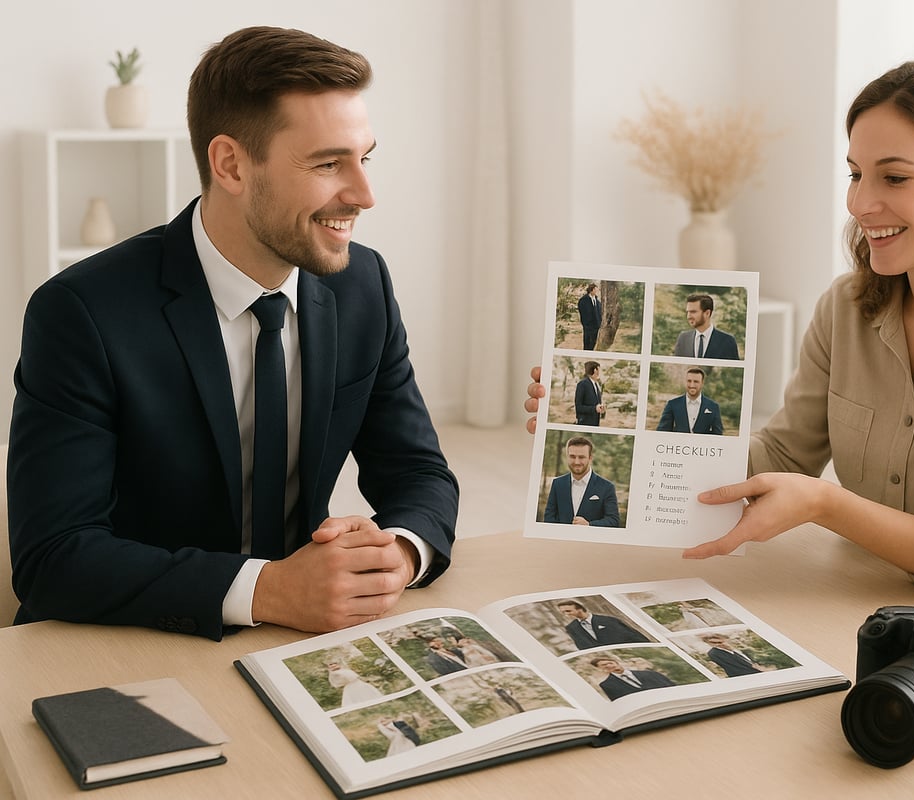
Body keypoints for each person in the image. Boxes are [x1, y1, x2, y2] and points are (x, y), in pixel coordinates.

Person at [527, 55, 914, 619]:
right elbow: (782, 456)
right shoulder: (847, 308)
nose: (859, 203)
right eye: (855, 174)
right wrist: (610, 432)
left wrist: (827, 505)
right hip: (871, 602)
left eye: (894, 177)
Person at [6, 26, 459, 640]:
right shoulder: (81, 313)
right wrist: (269, 590)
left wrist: (397, 555)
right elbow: (54, 559)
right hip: (132, 640)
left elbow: (419, 474)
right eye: (328, 163)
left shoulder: (362, 286)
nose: (365, 194)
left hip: (295, 643)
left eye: (364, 157)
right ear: (230, 165)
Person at [542, 437, 621, 526]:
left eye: (581, 457)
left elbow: (613, 521)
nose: (577, 462)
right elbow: (549, 519)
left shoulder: (607, 487)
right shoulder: (557, 484)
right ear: (567, 457)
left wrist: (589, 525)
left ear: (590, 458)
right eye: (572, 456)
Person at [557, 600, 649, 650]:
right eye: (563, 612)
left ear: (580, 609)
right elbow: (582, 646)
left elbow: (631, 635)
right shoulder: (571, 628)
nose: (566, 614)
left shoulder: (608, 620)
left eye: (568, 611)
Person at [656, 367, 724, 434]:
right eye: (689, 381)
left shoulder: (713, 406)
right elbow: (662, 432)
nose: (692, 385)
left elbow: (718, 435)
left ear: (702, 383)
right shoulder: (672, 404)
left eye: (696, 382)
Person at [672, 294, 740, 360]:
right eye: (688, 312)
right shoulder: (683, 338)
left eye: (693, 312)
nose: (688, 316)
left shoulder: (727, 341)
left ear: (707, 313)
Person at [590, 656, 676, 700]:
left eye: (610, 662)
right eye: (604, 665)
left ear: (616, 662)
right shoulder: (607, 685)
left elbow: (672, 687)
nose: (608, 665)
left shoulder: (650, 674)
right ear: (600, 669)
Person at [574, 361, 606, 426]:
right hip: (585, 423)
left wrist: (602, 410)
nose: (600, 372)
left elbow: (596, 404)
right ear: (595, 370)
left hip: (595, 422)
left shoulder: (596, 384)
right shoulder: (582, 384)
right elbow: (578, 407)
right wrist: (594, 409)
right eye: (599, 370)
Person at [577, 283, 602, 350]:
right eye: (595, 290)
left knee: (593, 342)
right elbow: (582, 311)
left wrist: (599, 322)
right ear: (591, 290)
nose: (596, 292)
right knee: (587, 342)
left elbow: (599, 312)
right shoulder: (583, 300)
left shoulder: (597, 301)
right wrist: (585, 323)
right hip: (588, 325)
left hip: (596, 325)